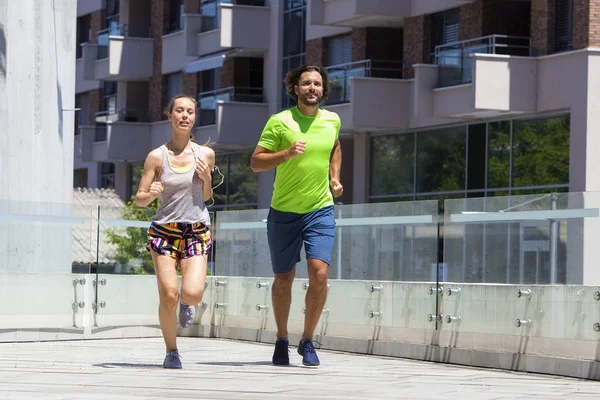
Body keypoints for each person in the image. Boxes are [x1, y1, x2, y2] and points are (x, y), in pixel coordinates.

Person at [250, 65, 343, 366]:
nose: (312, 88)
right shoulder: (280, 122)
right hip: (284, 212)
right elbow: (256, 162)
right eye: (306, 84)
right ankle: (281, 338)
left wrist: (335, 177)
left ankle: (307, 340)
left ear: (323, 89)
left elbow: (334, 146)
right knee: (283, 278)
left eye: (317, 84)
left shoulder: (332, 120)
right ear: (295, 89)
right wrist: (286, 153)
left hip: (320, 208)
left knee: (320, 273)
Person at [135, 95, 215, 369]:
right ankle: (172, 350)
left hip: (196, 229)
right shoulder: (156, 157)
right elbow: (140, 198)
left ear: (194, 117)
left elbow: (205, 196)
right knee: (168, 293)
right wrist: (151, 192)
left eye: (190, 112)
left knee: (191, 293)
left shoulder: (205, 155)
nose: (184, 115)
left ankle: (186, 304)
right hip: (164, 231)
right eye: (179, 111)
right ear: (169, 116)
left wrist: (206, 179)